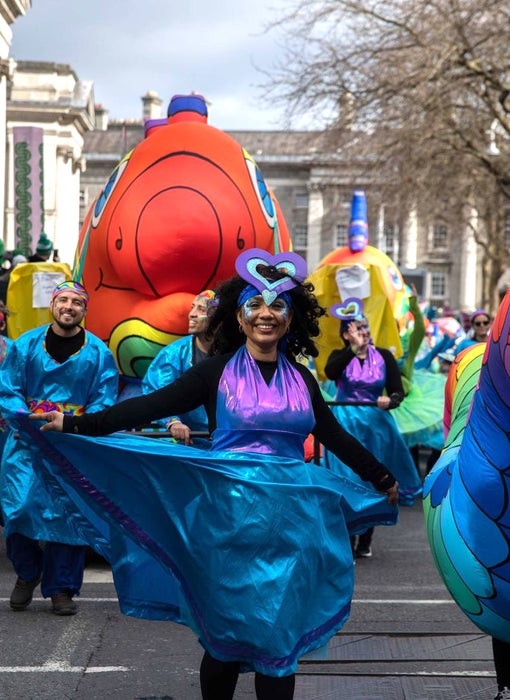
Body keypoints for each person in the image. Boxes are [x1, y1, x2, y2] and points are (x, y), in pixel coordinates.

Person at [28, 249, 399, 699]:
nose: (266, 315)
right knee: (224, 636)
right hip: (227, 523)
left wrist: (382, 478)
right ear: (238, 319)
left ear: (291, 318)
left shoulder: (301, 378)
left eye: (277, 306)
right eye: (254, 307)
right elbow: (149, 406)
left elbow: (335, 435)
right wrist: (75, 424)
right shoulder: (215, 371)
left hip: (293, 526)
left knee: (279, 636)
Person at [0, 280, 119, 616]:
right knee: (17, 509)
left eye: (76, 303)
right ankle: (27, 573)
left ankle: (61, 589)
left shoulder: (98, 353)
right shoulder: (25, 346)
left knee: (69, 516)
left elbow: (104, 398)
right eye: (63, 300)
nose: (69, 307)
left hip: (72, 445)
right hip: (27, 442)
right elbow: (8, 389)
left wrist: (77, 425)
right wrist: (26, 418)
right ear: (53, 304)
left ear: (84, 310)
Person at [324, 298, 421, 558]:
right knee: (347, 479)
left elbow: (398, 392)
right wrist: (352, 349)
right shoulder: (339, 356)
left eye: (365, 328)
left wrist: (390, 401)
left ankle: (366, 535)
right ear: (346, 334)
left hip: (376, 426)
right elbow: (331, 372)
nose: (364, 333)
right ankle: (348, 535)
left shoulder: (385, 357)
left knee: (372, 479)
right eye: (357, 329)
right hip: (345, 423)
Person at [141, 289, 217, 442]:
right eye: (192, 307)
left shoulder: (236, 354)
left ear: (217, 318)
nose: (192, 314)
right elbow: (158, 393)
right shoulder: (172, 354)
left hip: (227, 441)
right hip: (187, 441)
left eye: (201, 309)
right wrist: (173, 422)